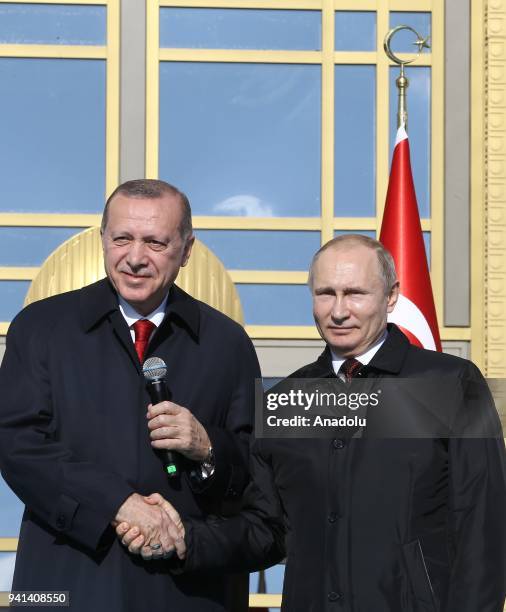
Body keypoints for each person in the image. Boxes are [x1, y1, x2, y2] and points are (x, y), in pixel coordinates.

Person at [119, 234, 506, 612]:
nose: (338, 311)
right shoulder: (286, 401)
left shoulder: (451, 385)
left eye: (355, 293)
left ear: (391, 297)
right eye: (325, 294)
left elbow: (483, 530)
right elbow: (265, 532)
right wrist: (187, 539)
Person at [0, 179, 260, 611]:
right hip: (65, 585)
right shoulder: (40, 328)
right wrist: (118, 505)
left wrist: (208, 447)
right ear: (103, 239)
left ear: (186, 249)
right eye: (122, 239)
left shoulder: (227, 343)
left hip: (190, 593)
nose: (135, 258)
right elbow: (16, 445)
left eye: (155, 242)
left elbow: (258, 473)